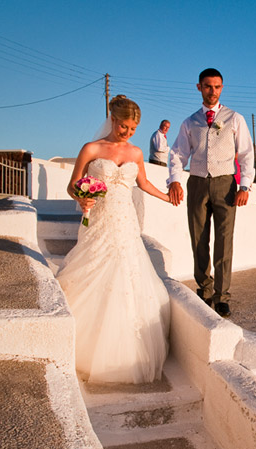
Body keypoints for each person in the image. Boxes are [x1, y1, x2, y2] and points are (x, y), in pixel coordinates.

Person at [57, 95, 174, 384]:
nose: (127, 133)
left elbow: (143, 183)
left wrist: (168, 195)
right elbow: (73, 184)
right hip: (98, 218)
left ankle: (122, 351)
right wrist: (82, 198)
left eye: (133, 129)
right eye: (124, 126)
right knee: (94, 266)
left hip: (125, 220)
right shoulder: (92, 148)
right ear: (112, 119)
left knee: (127, 272)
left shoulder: (134, 153)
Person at [168, 68, 255, 318]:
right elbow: (178, 154)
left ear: (222, 88)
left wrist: (245, 186)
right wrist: (175, 180)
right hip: (196, 182)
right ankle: (204, 291)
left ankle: (222, 295)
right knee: (198, 238)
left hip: (225, 183)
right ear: (199, 88)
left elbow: (247, 153)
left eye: (217, 87)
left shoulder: (234, 118)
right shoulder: (190, 122)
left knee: (224, 240)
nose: (212, 91)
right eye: (207, 86)